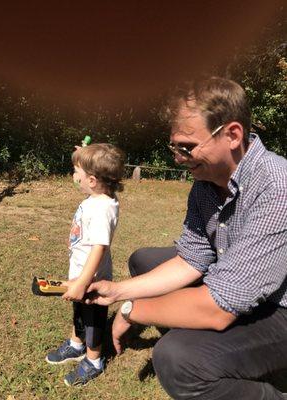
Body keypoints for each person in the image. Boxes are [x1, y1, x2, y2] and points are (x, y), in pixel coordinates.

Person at [86, 77, 287, 399]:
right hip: (239, 285)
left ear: (232, 135)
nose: (177, 157)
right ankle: (189, 327)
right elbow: (191, 259)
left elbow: (219, 309)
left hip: (281, 306)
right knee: (145, 260)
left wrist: (132, 310)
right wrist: (117, 291)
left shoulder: (278, 187)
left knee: (178, 359)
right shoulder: (205, 183)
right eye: (174, 146)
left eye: (187, 147)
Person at [45, 143, 125, 387]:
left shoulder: (102, 208)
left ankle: (94, 360)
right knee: (79, 312)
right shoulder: (96, 198)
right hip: (81, 275)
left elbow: (99, 247)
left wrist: (82, 282)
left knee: (93, 319)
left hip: (91, 278)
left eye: (76, 171)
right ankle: (77, 345)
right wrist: (87, 153)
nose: (73, 175)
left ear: (91, 180)